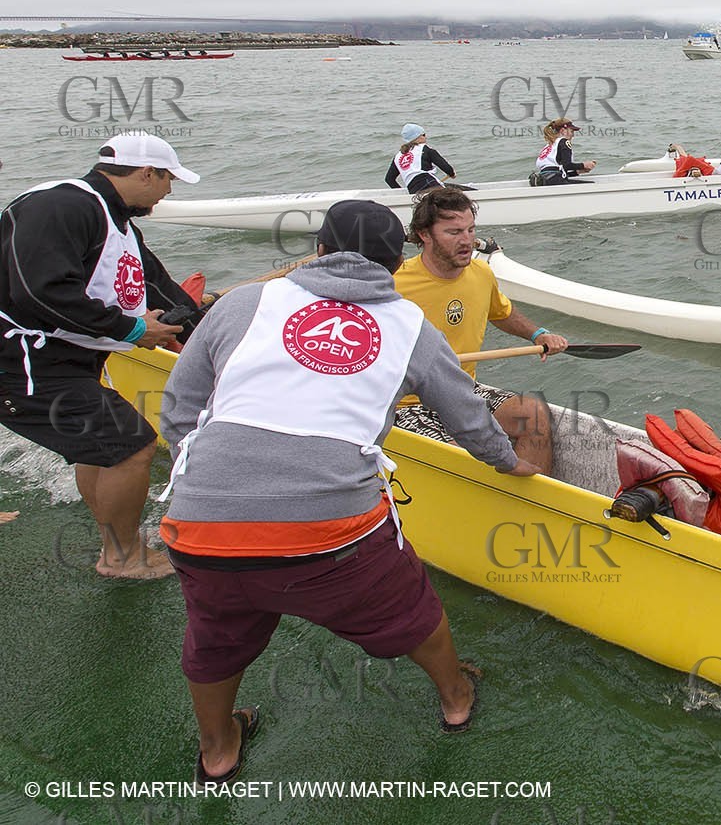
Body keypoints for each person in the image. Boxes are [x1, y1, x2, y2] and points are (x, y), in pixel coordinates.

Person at [159, 200, 541, 781]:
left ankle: (218, 750)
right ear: (396, 263)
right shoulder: (410, 323)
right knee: (412, 611)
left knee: (214, 640)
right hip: (330, 528)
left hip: (199, 522)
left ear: (317, 253)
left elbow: (181, 404)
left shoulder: (243, 302)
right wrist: (507, 462)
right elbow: (468, 417)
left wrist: (201, 474)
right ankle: (456, 698)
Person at [0, 133, 201, 579]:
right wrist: (130, 329)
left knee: (103, 448)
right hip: (25, 361)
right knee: (130, 445)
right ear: (147, 172)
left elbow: (158, 287)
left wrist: (213, 339)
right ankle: (122, 559)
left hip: (66, 362)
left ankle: (115, 544)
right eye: (169, 180)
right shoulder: (59, 205)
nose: (169, 191)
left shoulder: (119, 222)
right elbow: (36, 290)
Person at [393, 187, 567, 471]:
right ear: (424, 234)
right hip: (408, 405)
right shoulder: (395, 283)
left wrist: (538, 335)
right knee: (460, 456)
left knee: (532, 415)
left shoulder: (481, 274)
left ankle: (527, 508)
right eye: (454, 232)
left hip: (463, 392)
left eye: (471, 230)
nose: (467, 241)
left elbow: (501, 313)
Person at [385, 124, 458, 194]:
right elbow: (446, 167)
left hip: (413, 191)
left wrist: (403, 192)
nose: (425, 137)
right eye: (424, 135)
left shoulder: (398, 156)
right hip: (430, 184)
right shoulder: (425, 149)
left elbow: (389, 179)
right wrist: (451, 173)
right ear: (418, 137)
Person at [532, 118, 595, 186]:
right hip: (554, 180)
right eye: (571, 131)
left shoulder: (548, 146)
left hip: (544, 180)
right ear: (563, 131)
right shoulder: (564, 141)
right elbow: (567, 165)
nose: (573, 135)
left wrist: (577, 172)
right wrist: (584, 165)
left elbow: (556, 172)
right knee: (592, 186)